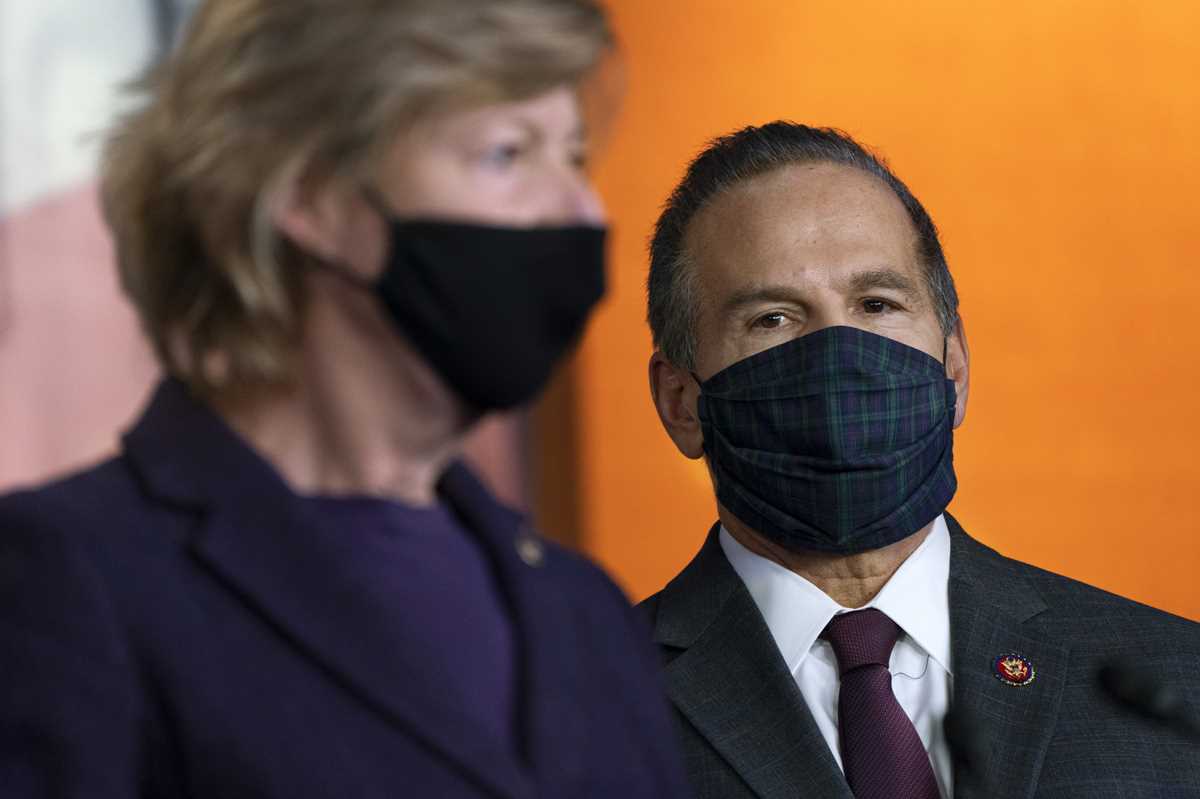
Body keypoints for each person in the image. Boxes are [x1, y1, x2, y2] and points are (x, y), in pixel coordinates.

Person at [0, 2, 690, 797]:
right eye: (507, 154)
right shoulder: (72, 577)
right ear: (312, 194)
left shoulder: (590, 612)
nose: (582, 210)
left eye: (573, 156)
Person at [640, 121, 1200, 798]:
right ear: (680, 401)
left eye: (877, 304)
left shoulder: (1176, 685)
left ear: (954, 367)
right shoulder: (575, 702)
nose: (840, 356)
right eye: (773, 318)